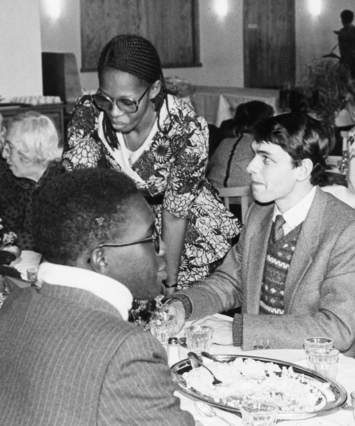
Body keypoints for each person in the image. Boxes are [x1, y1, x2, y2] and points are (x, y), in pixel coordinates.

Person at [0, 168, 195, 426]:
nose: (164, 248)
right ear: (102, 258)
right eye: (151, 238)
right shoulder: (127, 350)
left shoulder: (15, 303)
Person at [165, 112, 355, 356]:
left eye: (266, 159)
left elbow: (337, 328)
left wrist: (241, 332)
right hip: (261, 360)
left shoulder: (345, 229)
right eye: (255, 154)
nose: (250, 166)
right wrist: (185, 304)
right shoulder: (260, 213)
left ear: (302, 169)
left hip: (319, 367)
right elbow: (230, 282)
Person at [62, 34, 240, 292]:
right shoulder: (88, 114)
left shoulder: (185, 130)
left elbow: (175, 215)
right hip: (123, 225)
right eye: (105, 98)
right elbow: (83, 193)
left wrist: (170, 280)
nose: (114, 113)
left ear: (154, 89)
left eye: (127, 101)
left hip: (184, 232)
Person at [0, 111, 64, 250]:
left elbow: (51, 241)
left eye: (10, 148)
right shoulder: (12, 180)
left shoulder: (63, 186)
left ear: (30, 152)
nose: (4, 155)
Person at [207, 101, 274, 188]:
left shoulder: (225, 142)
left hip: (214, 194)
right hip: (244, 197)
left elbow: (210, 167)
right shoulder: (260, 145)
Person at [334, 9, 355, 78]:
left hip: (350, 63)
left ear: (342, 19)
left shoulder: (343, 32)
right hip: (346, 63)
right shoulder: (342, 31)